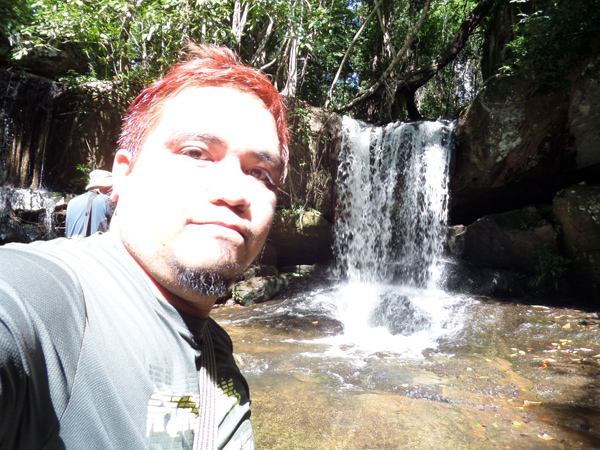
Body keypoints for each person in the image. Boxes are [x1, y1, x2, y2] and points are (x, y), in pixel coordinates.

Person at [0, 43, 289, 450]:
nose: (234, 191)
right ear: (123, 175)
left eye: (260, 172)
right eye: (196, 153)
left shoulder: (215, 347)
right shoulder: (41, 303)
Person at [65, 169, 116, 237]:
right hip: (96, 247)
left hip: (71, 246)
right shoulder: (107, 201)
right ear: (103, 187)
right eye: (110, 188)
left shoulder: (71, 202)